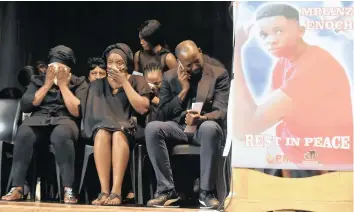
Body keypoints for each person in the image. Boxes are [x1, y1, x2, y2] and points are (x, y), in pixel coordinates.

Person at [232, 4, 353, 177]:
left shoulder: (313, 66)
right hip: (298, 158)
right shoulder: (283, 64)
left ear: (301, 30)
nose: (271, 40)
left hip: (324, 166)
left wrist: (236, 54)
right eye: (264, 34)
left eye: (278, 31)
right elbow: (257, 117)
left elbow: (246, 129)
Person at [144, 40, 230, 209]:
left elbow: (221, 110)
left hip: (203, 128)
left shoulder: (218, 74)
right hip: (179, 128)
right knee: (152, 128)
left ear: (199, 50)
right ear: (179, 63)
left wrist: (202, 118)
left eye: (196, 61)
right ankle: (166, 190)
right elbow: (162, 114)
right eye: (188, 65)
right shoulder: (169, 77)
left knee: (210, 128)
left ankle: (206, 192)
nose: (194, 67)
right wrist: (183, 92)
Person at [1, 45, 88, 204]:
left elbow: (77, 111)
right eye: (52, 68)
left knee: (61, 135)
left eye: (60, 69)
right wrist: (47, 84)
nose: (55, 73)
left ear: (68, 69)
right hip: (39, 118)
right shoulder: (37, 80)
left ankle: (69, 188)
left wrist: (63, 85)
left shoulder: (79, 82)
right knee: (24, 132)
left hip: (65, 118)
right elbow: (27, 105)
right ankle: (17, 187)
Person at [81, 43, 152, 206]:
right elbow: (94, 114)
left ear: (126, 64)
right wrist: (107, 124)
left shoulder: (137, 80)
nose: (114, 66)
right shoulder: (97, 85)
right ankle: (104, 191)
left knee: (119, 133)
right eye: (111, 62)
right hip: (103, 128)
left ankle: (116, 191)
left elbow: (142, 108)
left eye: (119, 63)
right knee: (101, 133)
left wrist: (124, 82)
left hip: (130, 129)